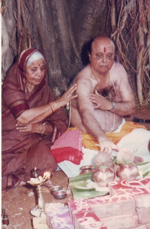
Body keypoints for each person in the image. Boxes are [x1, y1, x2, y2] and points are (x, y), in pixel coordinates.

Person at [2, 48, 77, 190]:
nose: (39, 74)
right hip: (7, 145)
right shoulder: (10, 87)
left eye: (42, 68)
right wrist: (58, 103)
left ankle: (20, 180)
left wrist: (39, 128)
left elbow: (60, 122)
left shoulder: (43, 90)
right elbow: (23, 117)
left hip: (31, 143)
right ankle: (22, 179)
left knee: (48, 161)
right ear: (23, 70)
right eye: (33, 69)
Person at [70, 36, 135, 153]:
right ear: (90, 56)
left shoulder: (118, 71)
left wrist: (110, 105)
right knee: (100, 164)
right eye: (99, 56)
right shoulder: (84, 81)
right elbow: (86, 114)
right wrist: (103, 139)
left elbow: (131, 107)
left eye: (109, 56)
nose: (105, 61)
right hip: (90, 140)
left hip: (120, 132)